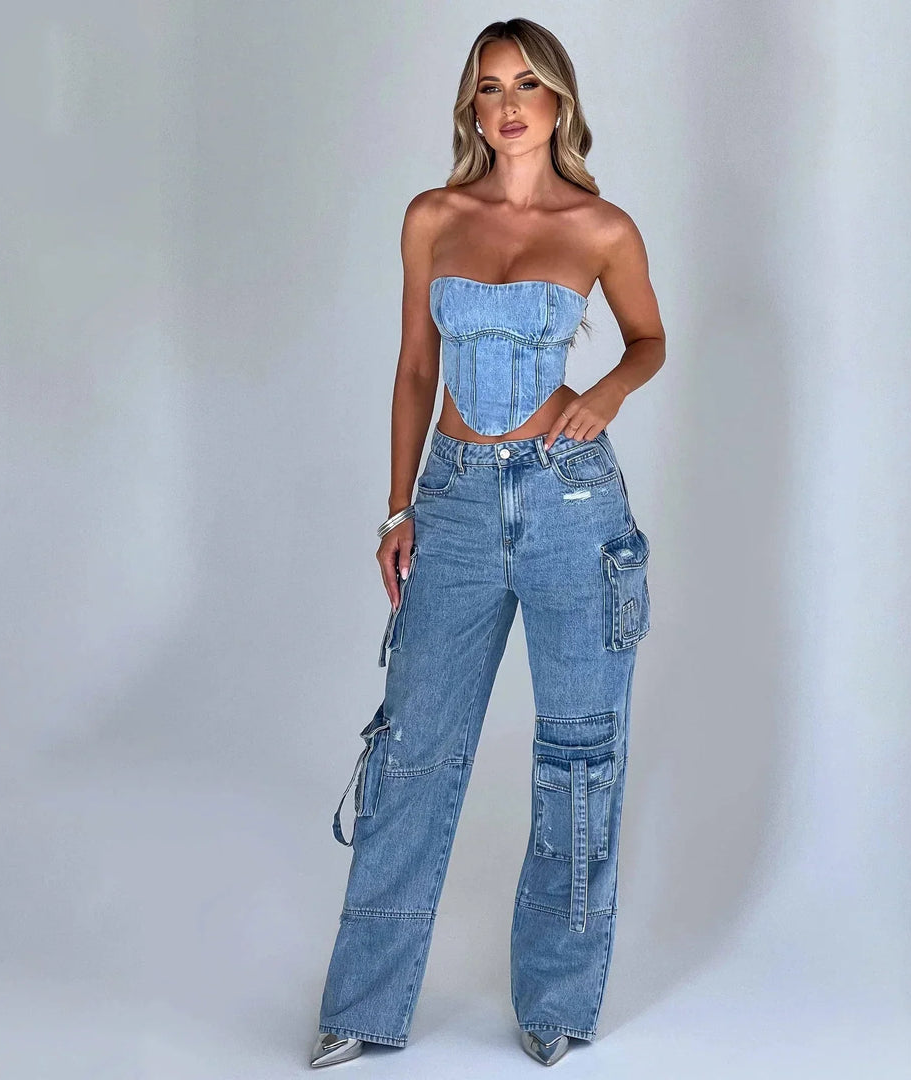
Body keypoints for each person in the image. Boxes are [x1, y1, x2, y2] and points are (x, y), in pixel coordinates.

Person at [311, 17, 665, 1068]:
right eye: (489, 87)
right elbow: (415, 368)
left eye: (527, 85)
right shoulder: (434, 216)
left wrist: (606, 393)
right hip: (456, 503)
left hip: (571, 503)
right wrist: (398, 509)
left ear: (559, 100)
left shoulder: (602, 228)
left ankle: (556, 1004)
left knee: (578, 758)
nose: (508, 105)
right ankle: (363, 1007)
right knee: (412, 751)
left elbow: (650, 339)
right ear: (472, 106)